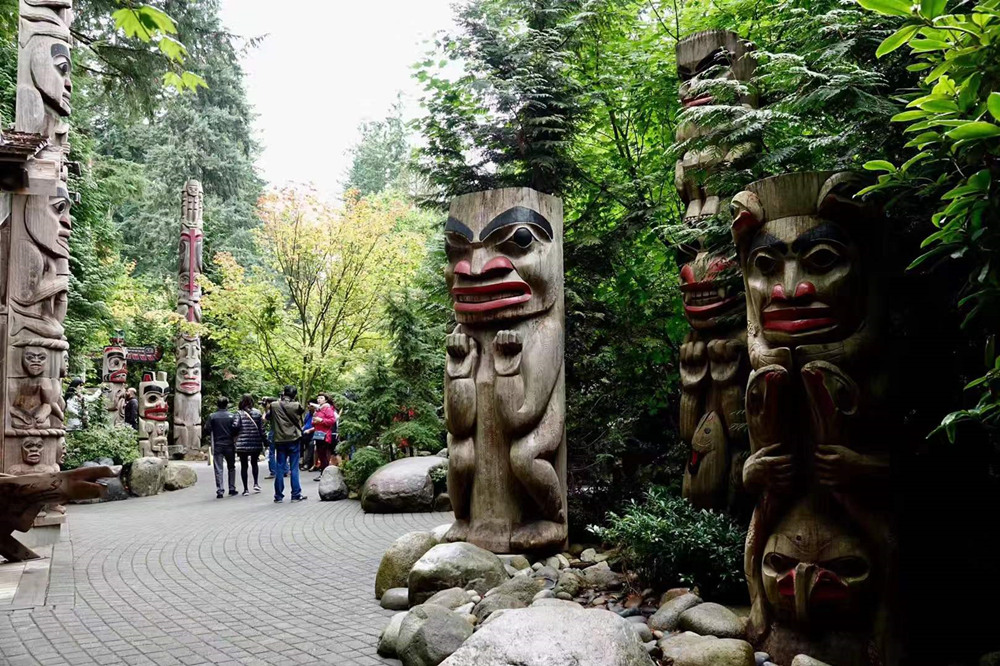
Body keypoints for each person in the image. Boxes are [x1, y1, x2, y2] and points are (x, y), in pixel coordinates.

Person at [268, 385, 307, 503]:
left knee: (280, 467)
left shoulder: (274, 405)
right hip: (294, 438)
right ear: (294, 395)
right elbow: (301, 412)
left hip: (280, 440)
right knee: (294, 467)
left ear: (283, 393)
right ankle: (295, 495)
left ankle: (278, 496)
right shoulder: (296, 405)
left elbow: (268, 417)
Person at [203, 396, 240, 499]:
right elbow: (236, 429)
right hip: (229, 444)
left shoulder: (212, 416)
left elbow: (206, 429)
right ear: (227, 404)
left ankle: (220, 490)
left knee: (218, 468)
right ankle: (232, 488)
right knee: (231, 467)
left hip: (217, 444)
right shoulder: (232, 416)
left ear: (217, 405)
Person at [234, 394, 264, 495]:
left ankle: (245, 489)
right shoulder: (257, 413)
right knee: (254, 463)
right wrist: (265, 441)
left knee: (244, 466)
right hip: (255, 442)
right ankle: (256, 483)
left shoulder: (238, 413)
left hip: (242, 443)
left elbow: (235, 426)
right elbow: (261, 429)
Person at [312, 393, 337, 481]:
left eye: (321, 398)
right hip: (318, 434)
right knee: (320, 454)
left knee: (323, 455)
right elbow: (313, 421)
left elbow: (332, 420)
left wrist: (321, 420)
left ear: (326, 400)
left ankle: (324, 474)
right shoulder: (318, 409)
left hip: (325, 435)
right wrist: (315, 421)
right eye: (318, 398)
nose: (319, 399)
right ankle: (323, 473)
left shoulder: (328, 409)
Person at [301, 403, 316, 472]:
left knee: (311, 445)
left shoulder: (316, 414)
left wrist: (310, 430)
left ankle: (308, 463)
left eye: (311, 406)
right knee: (300, 443)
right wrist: (303, 428)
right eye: (309, 405)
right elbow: (305, 423)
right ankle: (301, 460)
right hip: (305, 434)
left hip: (314, 434)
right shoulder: (308, 414)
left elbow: (317, 426)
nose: (309, 407)